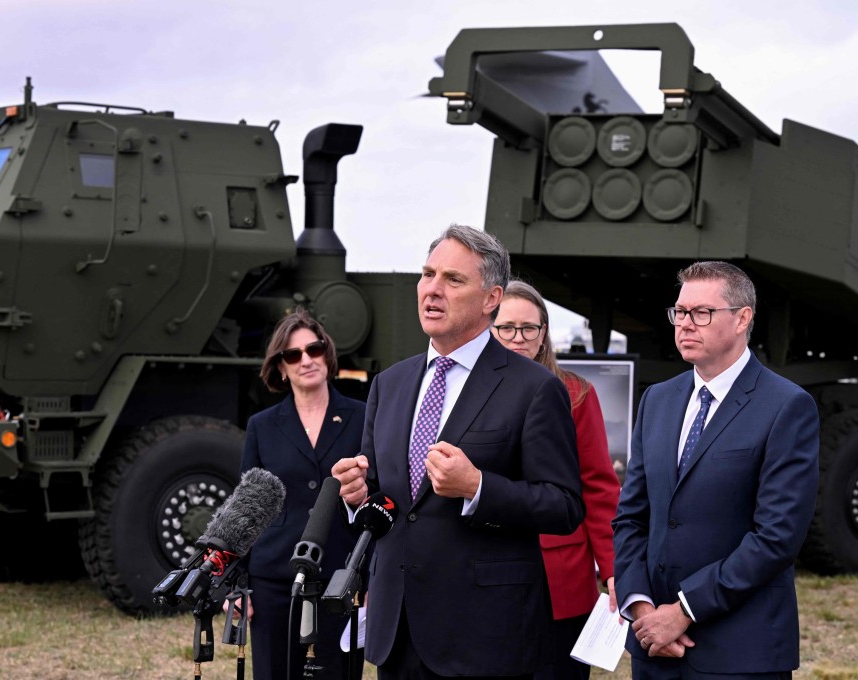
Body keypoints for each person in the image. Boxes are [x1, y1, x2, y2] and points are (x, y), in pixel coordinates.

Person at [331, 224, 584, 680]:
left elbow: (563, 506)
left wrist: (478, 488)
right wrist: (358, 496)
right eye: (427, 275)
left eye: (453, 280)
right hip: (398, 627)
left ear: (491, 299)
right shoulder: (391, 384)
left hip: (483, 634)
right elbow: (391, 505)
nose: (432, 290)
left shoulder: (534, 388)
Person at [612, 261, 819, 678]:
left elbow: (777, 538)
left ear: (743, 318)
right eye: (680, 312)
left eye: (702, 312)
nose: (686, 324)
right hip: (654, 646)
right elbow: (632, 517)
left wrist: (684, 610)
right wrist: (640, 606)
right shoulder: (658, 399)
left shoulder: (786, 406)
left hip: (738, 651)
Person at [491, 280, 621, 680]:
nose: (519, 338)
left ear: (544, 332)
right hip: (486, 568)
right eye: (507, 327)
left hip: (559, 577)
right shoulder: (467, 391)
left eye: (529, 328)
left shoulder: (576, 394)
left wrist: (614, 569)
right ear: (489, 329)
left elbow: (599, 488)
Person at [238, 309, 366, 680]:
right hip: (274, 580)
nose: (306, 360)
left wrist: (372, 580)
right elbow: (247, 510)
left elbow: (377, 500)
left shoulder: (363, 416)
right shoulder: (261, 426)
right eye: (293, 355)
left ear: (327, 353)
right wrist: (239, 586)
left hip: (341, 579)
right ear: (280, 367)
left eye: (314, 349)